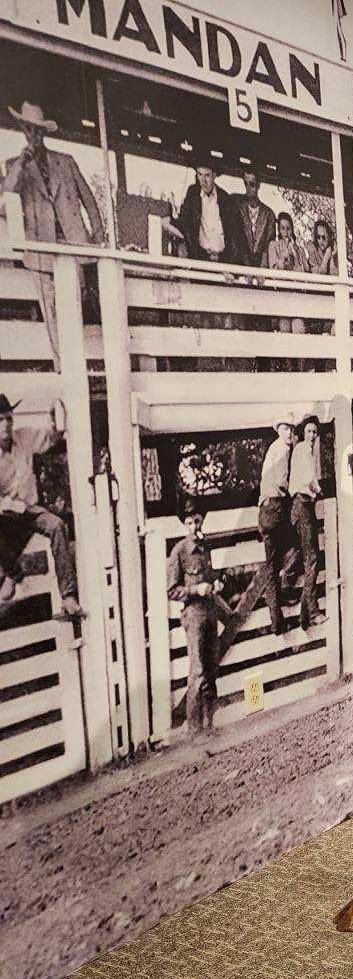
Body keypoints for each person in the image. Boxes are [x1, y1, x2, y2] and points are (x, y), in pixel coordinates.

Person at [2, 101, 105, 363]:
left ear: (44, 132)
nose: (32, 135)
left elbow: (90, 202)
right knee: (51, 316)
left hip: (73, 248)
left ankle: (82, 367)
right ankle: (64, 369)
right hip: (41, 253)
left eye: (37, 130)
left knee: (76, 310)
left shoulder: (65, 162)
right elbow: (5, 202)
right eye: (28, 129)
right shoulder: (15, 165)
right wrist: (21, 165)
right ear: (23, 130)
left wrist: (98, 240)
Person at [0, 394, 83, 620]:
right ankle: (12, 575)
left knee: (57, 526)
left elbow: (50, 437)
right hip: (5, 516)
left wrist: (56, 421)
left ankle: (68, 596)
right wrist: (9, 505)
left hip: (30, 510)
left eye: (8, 418)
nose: (5, 424)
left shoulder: (23, 437)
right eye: (0, 420)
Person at [166, 500, 225, 735]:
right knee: (198, 670)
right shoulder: (179, 551)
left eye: (197, 521)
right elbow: (171, 590)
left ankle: (210, 724)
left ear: (202, 521)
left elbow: (210, 575)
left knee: (211, 670)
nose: (193, 526)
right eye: (189, 522)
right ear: (184, 524)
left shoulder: (206, 547)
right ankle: (194, 730)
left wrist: (216, 583)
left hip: (210, 612)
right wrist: (195, 590)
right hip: (193, 615)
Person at [259, 412, 297, 636]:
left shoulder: (273, 448)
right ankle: (287, 585)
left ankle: (276, 622)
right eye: (286, 428)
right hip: (275, 508)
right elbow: (283, 483)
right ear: (279, 430)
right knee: (297, 548)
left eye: (292, 428)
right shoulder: (282, 449)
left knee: (270, 568)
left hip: (264, 511)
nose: (290, 432)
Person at [169, 158, 248, 265]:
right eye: (199, 174)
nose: (203, 181)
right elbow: (185, 225)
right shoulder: (192, 195)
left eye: (207, 175)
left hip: (223, 262)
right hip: (200, 260)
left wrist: (231, 267)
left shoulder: (226, 199)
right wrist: (167, 220)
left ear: (214, 175)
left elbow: (236, 236)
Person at [290, 414, 325, 630]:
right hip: (302, 505)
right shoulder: (303, 449)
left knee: (309, 558)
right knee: (312, 559)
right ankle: (312, 613)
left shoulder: (305, 450)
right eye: (309, 431)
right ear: (304, 433)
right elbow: (309, 480)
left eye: (314, 432)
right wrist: (320, 490)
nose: (312, 435)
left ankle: (305, 617)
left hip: (304, 506)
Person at [268, 212, 307, 333]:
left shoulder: (298, 249)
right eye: (282, 228)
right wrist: (283, 258)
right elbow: (273, 270)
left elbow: (304, 272)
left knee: (298, 326)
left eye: (288, 229)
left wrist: (295, 254)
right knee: (284, 326)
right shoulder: (273, 245)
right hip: (282, 294)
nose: (286, 232)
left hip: (296, 294)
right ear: (279, 230)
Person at [236, 169, 276, 269]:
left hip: (260, 271)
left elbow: (268, 244)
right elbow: (236, 239)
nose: (248, 188)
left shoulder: (268, 214)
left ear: (258, 185)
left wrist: (262, 269)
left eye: (252, 184)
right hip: (240, 267)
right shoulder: (237, 206)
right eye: (246, 184)